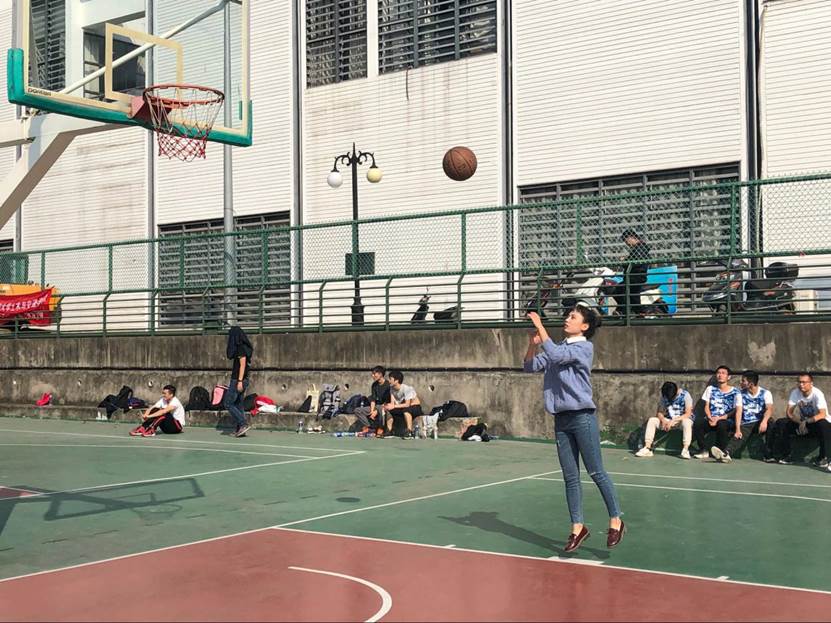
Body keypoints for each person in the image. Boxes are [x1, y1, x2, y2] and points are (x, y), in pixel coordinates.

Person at [524, 308, 624, 553]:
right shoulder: (557, 347)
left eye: (573, 317)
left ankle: (616, 520)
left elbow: (557, 355)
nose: (567, 319)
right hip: (561, 420)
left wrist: (541, 327)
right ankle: (577, 528)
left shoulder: (583, 348)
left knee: (596, 471)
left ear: (585, 326)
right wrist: (532, 346)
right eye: (567, 316)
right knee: (570, 477)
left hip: (582, 417)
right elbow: (529, 367)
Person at [713, 370, 775, 463]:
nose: (740, 382)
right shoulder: (740, 394)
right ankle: (726, 454)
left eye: (743, 381)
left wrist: (764, 421)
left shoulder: (766, 393)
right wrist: (738, 429)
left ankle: (769, 455)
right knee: (739, 435)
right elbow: (739, 411)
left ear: (750, 384)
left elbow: (769, 409)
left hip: (760, 422)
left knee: (771, 423)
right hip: (746, 423)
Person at [773, 373, 831, 467]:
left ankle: (824, 458)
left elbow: (822, 414)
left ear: (811, 383)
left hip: (817, 425)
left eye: (804, 382)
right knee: (781, 422)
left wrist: (806, 422)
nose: (801, 385)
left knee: (824, 424)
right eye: (799, 382)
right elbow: (789, 413)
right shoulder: (795, 392)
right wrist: (800, 423)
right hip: (802, 425)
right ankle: (787, 455)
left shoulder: (817, 394)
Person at [692, 365, 741, 460]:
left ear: (728, 377)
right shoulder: (710, 389)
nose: (720, 375)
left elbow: (735, 410)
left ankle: (720, 451)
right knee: (698, 422)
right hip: (711, 419)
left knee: (722, 424)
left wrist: (719, 418)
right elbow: (706, 406)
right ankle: (703, 450)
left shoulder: (736, 392)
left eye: (723, 373)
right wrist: (709, 417)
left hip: (726, 420)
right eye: (718, 373)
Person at [635, 381, 693, 459]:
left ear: (676, 391)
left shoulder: (685, 395)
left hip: (681, 421)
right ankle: (647, 448)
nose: (669, 398)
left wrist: (674, 421)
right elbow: (659, 412)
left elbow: (688, 413)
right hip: (668, 420)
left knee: (687, 422)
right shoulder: (665, 395)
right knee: (652, 420)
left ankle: (685, 449)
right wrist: (663, 420)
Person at [611, 229, 651, 315]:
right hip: (634, 277)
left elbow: (636, 262)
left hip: (636, 277)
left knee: (620, 291)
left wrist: (625, 261)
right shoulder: (638, 248)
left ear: (631, 237)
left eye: (626, 241)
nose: (626, 243)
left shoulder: (640, 248)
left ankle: (627, 311)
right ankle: (634, 312)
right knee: (632, 296)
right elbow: (634, 260)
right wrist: (627, 260)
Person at [223, 325, 254, 438]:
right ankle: (240, 429)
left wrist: (239, 381)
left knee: (228, 403)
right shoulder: (243, 347)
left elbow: (242, 365)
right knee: (238, 404)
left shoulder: (241, 348)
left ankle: (243, 423)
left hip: (238, 379)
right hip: (241, 379)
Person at [384, 370, 423, 439]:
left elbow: (407, 404)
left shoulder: (406, 389)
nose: (389, 381)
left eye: (390, 379)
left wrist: (394, 406)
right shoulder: (391, 389)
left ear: (396, 381)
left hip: (415, 407)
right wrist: (387, 406)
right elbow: (392, 403)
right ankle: (389, 431)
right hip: (403, 406)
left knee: (406, 410)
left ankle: (409, 432)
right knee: (388, 410)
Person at [353, 366, 390, 437]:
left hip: (385, 406)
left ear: (380, 374)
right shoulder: (374, 385)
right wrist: (372, 410)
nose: (372, 376)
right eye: (372, 374)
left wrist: (376, 410)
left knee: (380, 408)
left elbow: (388, 401)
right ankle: (369, 427)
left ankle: (381, 428)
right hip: (376, 406)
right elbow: (373, 399)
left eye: (374, 374)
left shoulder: (388, 385)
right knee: (357, 410)